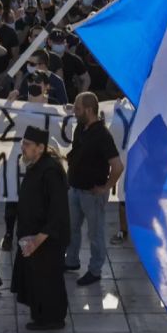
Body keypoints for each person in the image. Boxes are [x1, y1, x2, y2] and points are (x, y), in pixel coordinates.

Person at [11, 126, 70, 330]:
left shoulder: (51, 171)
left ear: (40, 147)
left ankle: (52, 319)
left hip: (47, 239)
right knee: (37, 279)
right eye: (23, 144)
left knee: (48, 279)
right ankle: (41, 316)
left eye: (27, 145)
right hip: (34, 236)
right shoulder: (35, 166)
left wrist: (38, 239)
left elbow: (57, 211)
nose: (23, 148)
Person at [63, 92, 124, 286]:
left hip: (92, 193)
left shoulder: (103, 135)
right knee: (72, 228)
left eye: (78, 109)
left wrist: (106, 187)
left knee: (95, 234)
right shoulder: (80, 128)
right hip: (75, 189)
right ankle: (71, 261)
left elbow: (117, 166)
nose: (75, 112)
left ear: (89, 110)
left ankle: (95, 270)